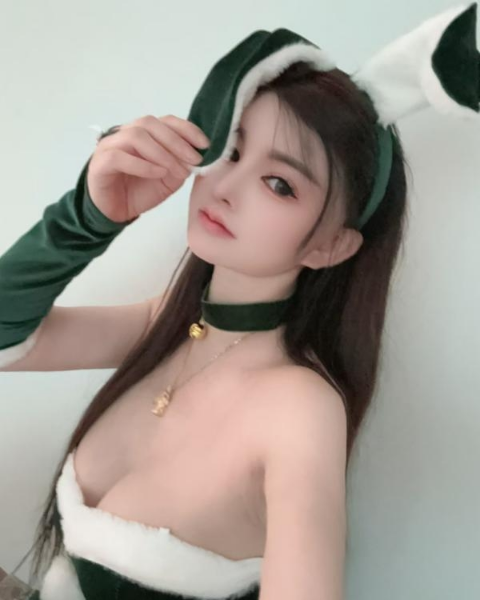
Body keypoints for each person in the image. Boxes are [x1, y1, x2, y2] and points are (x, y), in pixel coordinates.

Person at [3, 3, 477, 598]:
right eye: (230, 151)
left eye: (279, 184)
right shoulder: (167, 324)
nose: (225, 187)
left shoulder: (299, 410)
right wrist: (87, 217)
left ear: (331, 246)